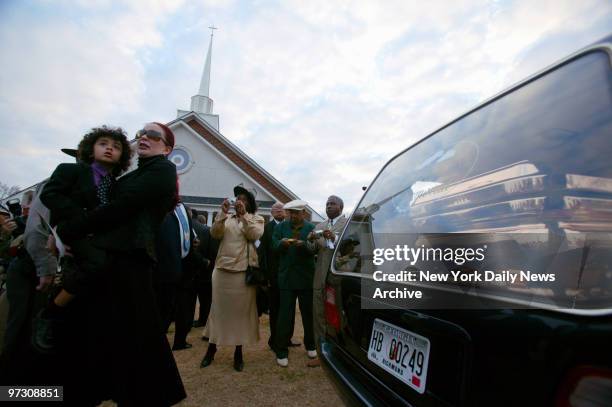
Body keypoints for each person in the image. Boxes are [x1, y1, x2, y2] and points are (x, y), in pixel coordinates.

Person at [52, 122, 186, 406]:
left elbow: (120, 207)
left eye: (153, 135)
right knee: (104, 333)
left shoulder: (163, 170)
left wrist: (70, 229)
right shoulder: (132, 173)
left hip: (131, 260)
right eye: (142, 133)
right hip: (110, 257)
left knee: (140, 336)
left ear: (167, 148)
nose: (145, 138)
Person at [200, 185, 264, 372]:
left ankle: (238, 352)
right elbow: (215, 234)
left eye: (243, 199)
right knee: (218, 311)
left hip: (243, 272)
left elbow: (254, 235)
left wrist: (244, 216)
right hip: (222, 271)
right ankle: (211, 349)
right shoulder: (226, 218)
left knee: (241, 315)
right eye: (238, 198)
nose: (239, 201)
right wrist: (222, 213)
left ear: (249, 202)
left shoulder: (256, 219)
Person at [272, 200, 317, 367]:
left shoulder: (311, 228)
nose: (293, 216)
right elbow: (274, 246)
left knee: (308, 314)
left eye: (296, 213)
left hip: (306, 277)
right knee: (285, 316)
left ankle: (311, 345)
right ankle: (281, 350)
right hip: (287, 278)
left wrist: (304, 245)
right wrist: (282, 244)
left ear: (303, 213)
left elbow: (315, 249)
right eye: (291, 213)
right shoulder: (280, 227)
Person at [306, 195, 347, 367]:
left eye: (333, 204)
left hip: (339, 279)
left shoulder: (348, 224)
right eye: (327, 204)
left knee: (338, 315)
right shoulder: (320, 226)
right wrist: (310, 240)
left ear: (341, 207)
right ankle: (322, 352)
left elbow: (350, 245)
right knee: (319, 315)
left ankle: (342, 352)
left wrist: (334, 238)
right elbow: (312, 250)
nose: (329, 206)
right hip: (320, 277)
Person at [258, 202, 300, 351]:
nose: (279, 211)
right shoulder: (266, 229)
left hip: (289, 275)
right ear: (272, 212)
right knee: (275, 310)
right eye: (276, 209)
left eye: (282, 209)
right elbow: (262, 254)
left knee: (288, 309)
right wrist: (265, 277)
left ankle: (287, 338)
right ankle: (274, 340)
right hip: (274, 277)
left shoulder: (291, 226)